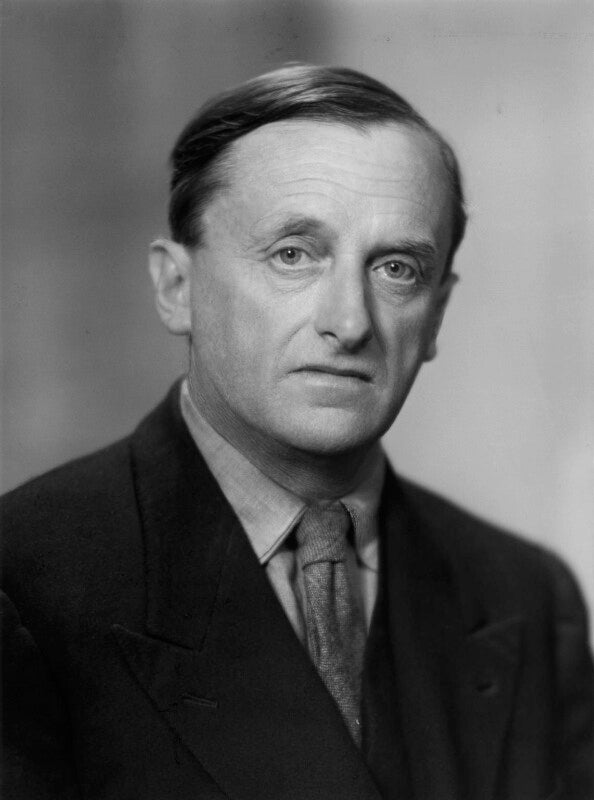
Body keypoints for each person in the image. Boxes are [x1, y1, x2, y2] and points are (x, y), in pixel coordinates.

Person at [1, 64, 592, 800]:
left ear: (437, 316)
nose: (349, 322)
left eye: (397, 268)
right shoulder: (24, 580)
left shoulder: (524, 596)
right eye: (293, 255)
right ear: (176, 287)